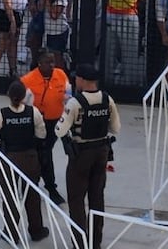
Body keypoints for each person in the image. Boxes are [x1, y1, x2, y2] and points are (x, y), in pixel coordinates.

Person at [58, 64, 120, 249]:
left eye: (77, 78)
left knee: (76, 200)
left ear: (83, 80)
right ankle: (95, 242)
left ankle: (80, 243)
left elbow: (59, 130)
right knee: (97, 198)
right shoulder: (107, 99)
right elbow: (115, 128)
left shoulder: (74, 103)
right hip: (101, 152)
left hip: (81, 155)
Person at [0, 79, 49, 244]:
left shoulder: (0, 114)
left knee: (9, 196)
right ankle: (36, 230)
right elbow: (42, 134)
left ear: (8, 95)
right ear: (24, 95)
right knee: (32, 195)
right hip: (30, 157)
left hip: (9, 158)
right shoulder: (33, 112)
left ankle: (11, 233)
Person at [19, 50, 69, 205]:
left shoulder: (61, 75)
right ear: (39, 63)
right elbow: (19, 103)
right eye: (48, 62)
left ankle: (35, 186)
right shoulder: (27, 80)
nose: (52, 65)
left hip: (55, 123)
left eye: (53, 61)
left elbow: (68, 97)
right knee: (41, 155)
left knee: (45, 154)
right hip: (35, 124)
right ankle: (47, 188)